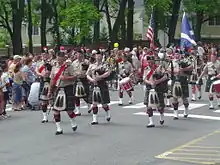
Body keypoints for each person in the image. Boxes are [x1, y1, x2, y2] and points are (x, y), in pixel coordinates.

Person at [48, 51, 78, 135]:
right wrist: (50, 91)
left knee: (69, 110)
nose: (59, 61)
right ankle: (59, 128)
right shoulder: (54, 67)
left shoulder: (69, 67)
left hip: (67, 88)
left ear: (64, 58)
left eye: (60, 59)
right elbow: (52, 79)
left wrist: (66, 78)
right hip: (58, 89)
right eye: (58, 59)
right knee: (56, 110)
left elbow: (75, 77)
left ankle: (73, 121)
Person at [86, 50, 111, 125]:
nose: (98, 57)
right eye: (97, 56)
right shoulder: (92, 65)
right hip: (94, 84)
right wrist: (92, 80)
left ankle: (107, 113)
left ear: (102, 56)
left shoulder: (105, 64)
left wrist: (100, 77)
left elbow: (108, 73)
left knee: (104, 103)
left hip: (102, 84)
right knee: (94, 103)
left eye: (99, 56)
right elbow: (87, 74)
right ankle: (94, 119)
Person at [143, 56, 168, 127]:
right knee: (148, 105)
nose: (149, 63)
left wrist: (157, 81)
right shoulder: (146, 69)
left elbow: (166, 76)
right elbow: (144, 79)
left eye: (151, 61)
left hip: (158, 87)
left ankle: (161, 116)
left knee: (160, 106)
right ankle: (151, 122)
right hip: (149, 87)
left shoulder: (159, 68)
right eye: (148, 62)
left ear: (154, 61)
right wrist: (150, 83)